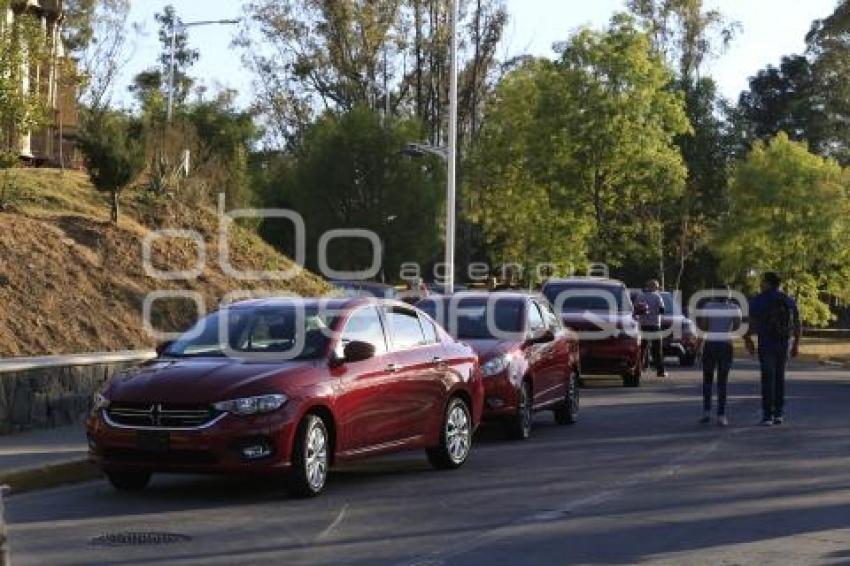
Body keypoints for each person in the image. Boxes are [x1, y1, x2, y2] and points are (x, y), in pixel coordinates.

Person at [744, 272, 801, 426]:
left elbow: (751, 322)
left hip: (766, 343)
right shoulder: (788, 300)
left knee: (767, 378)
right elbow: (796, 323)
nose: (761, 284)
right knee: (779, 377)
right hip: (783, 343)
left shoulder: (759, 300)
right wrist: (796, 343)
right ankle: (779, 414)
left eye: (763, 282)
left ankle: (767, 415)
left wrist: (748, 339)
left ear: (769, 283)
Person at [696, 285, 742, 427]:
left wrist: (699, 346)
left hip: (711, 343)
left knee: (708, 379)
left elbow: (703, 327)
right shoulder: (735, 308)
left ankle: (706, 411)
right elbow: (736, 327)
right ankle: (721, 414)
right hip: (725, 344)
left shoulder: (708, 306)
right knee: (722, 381)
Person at [639, 279, 667, 378]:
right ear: (655, 287)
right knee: (657, 350)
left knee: (642, 349)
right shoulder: (657, 296)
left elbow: (637, 310)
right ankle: (660, 371)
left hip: (643, 325)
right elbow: (662, 309)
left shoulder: (640, 296)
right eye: (657, 287)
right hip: (655, 325)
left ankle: (639, 369)